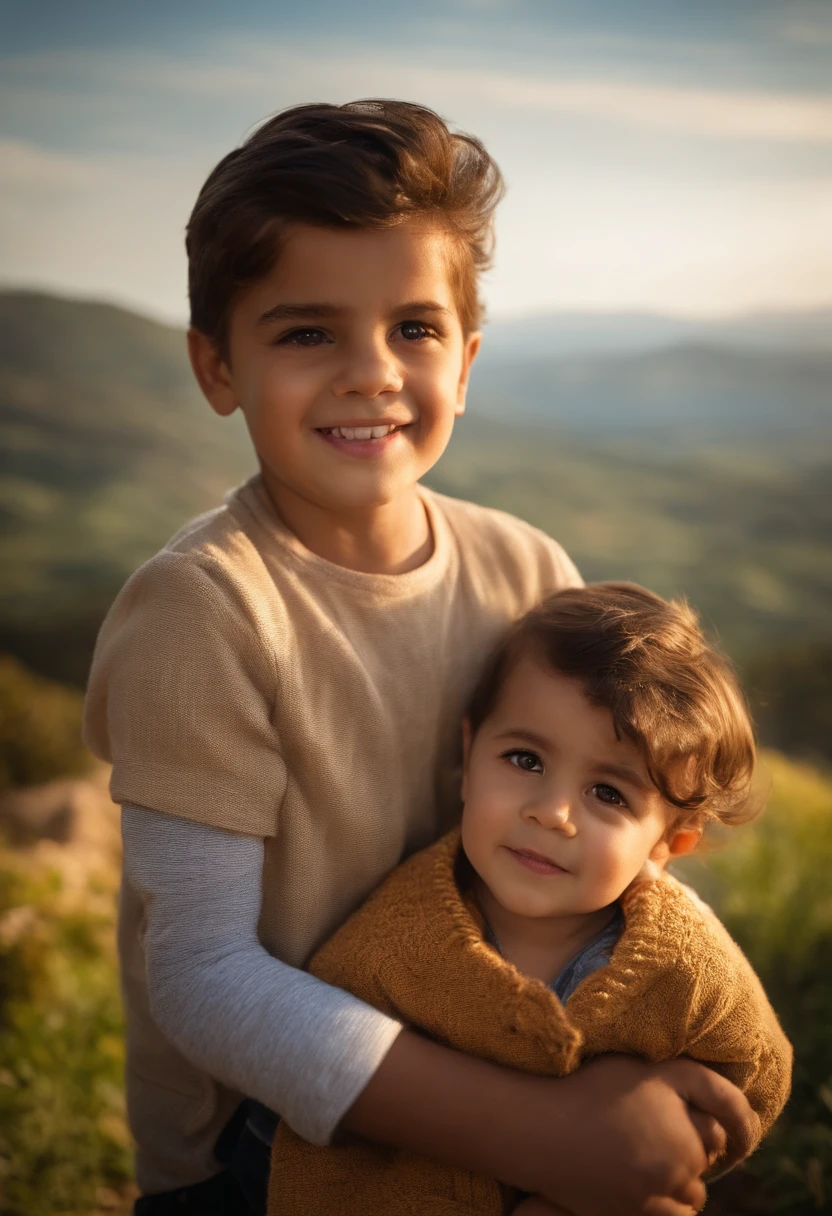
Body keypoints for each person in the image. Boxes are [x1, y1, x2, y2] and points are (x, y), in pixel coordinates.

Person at [83, 100, 759, 1216]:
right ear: (217, 367)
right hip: (261, 1157)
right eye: (307, 333)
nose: (371, 374)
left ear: (468, 356)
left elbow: (611, 845)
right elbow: (203, 979)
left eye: (414, 328)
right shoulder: (202, 612)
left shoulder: (527, 571)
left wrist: (657, 1066)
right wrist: (547, 1134)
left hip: (493, 1092)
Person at [269, 583, 792, 1215]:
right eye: (525, 759)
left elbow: (760, 1071)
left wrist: (675, 1134)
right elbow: (329, 1100)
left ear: (668, 844)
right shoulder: (396, 937)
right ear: (470, 753)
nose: (553, 813)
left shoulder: (686, 964)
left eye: (609, 794)